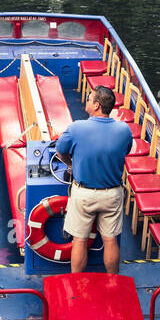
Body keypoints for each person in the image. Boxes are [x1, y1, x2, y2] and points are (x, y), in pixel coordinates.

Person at [54, 85, 133, 274]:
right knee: (110, 240)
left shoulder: (76, 128)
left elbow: (60, 151)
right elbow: (125, 152)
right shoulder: (124, 130)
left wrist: (71, 165)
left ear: (96, 105)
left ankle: (77, 283)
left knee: (79, 240)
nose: (87, 101)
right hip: (112, 194)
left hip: (84, 195)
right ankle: (113, 280)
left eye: (89, 99)